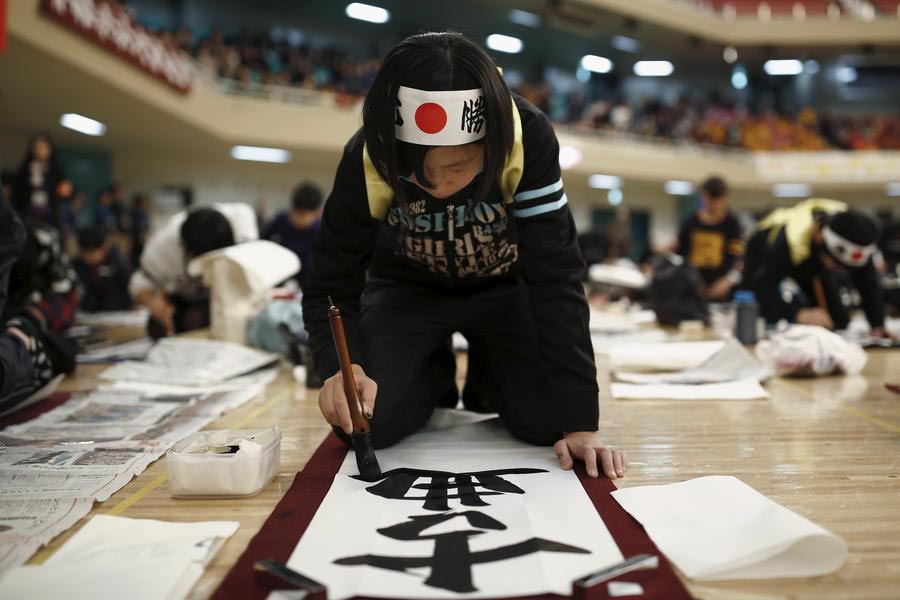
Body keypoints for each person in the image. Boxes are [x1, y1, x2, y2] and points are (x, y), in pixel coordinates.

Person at [302, 33, 626, 480]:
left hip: (503, 289)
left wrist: (582, 424)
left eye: (456, 167)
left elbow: (557, 278)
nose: (436, 184)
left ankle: (489, 374)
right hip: (406, 291)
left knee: (553, 420)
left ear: (491, 144)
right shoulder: (367, 155)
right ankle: (431, 374)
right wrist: (342, 367)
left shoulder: (526, 139)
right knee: (363, 421)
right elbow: (331, 282)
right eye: (414, 171)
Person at [742, 199, 890, 337]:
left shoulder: (856, 233)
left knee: (837, 321)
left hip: (813, 257)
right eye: (836, 266)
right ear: (819, 236)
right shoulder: (787, 242)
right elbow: (763, 288)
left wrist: (878, 325)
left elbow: (868, 282)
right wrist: (798, 314)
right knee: (754, 303)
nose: (840, 271)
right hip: (764, 248)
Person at [129, 203, 258, 337]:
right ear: (187, 251)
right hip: (186, 301)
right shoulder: (163, 248)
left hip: (228, 297)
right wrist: (156, 305)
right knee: (159, 327)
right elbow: (139, 286)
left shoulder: (243, 233)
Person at [676, 176, 743, 301]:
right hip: (692, 288)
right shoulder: (690, 222)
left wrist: (728, 280)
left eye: (717, 200)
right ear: (703, 196)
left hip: (722, 289)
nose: (713, 205)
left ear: (724, 198)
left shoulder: (732, 224)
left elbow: (737, 257)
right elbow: (681, 255)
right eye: (709, 199)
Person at [261, 182, 323, 286]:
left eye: (303, 215)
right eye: (296, 212)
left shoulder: (321, 229)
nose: (297, 218)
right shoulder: (281, 219)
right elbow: (262, 241)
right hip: (280, 272)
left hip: (308, 277)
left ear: (317, 213)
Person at [12, 132, 72, 226]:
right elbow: (17, 192)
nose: (39, 151)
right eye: (36, 148)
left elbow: (65, 193)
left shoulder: (56, 170)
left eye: (43, 148)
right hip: (25, 215)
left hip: (49, 216)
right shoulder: (24, 169)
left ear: (50, 150)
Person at [73, 225, 133, 312]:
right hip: (88, 313)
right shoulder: (77, 265)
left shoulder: (118, 262)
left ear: (103, 248)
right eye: (84, 253)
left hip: (118, 312)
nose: (88, 257)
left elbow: (130, 287)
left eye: (92, 252)